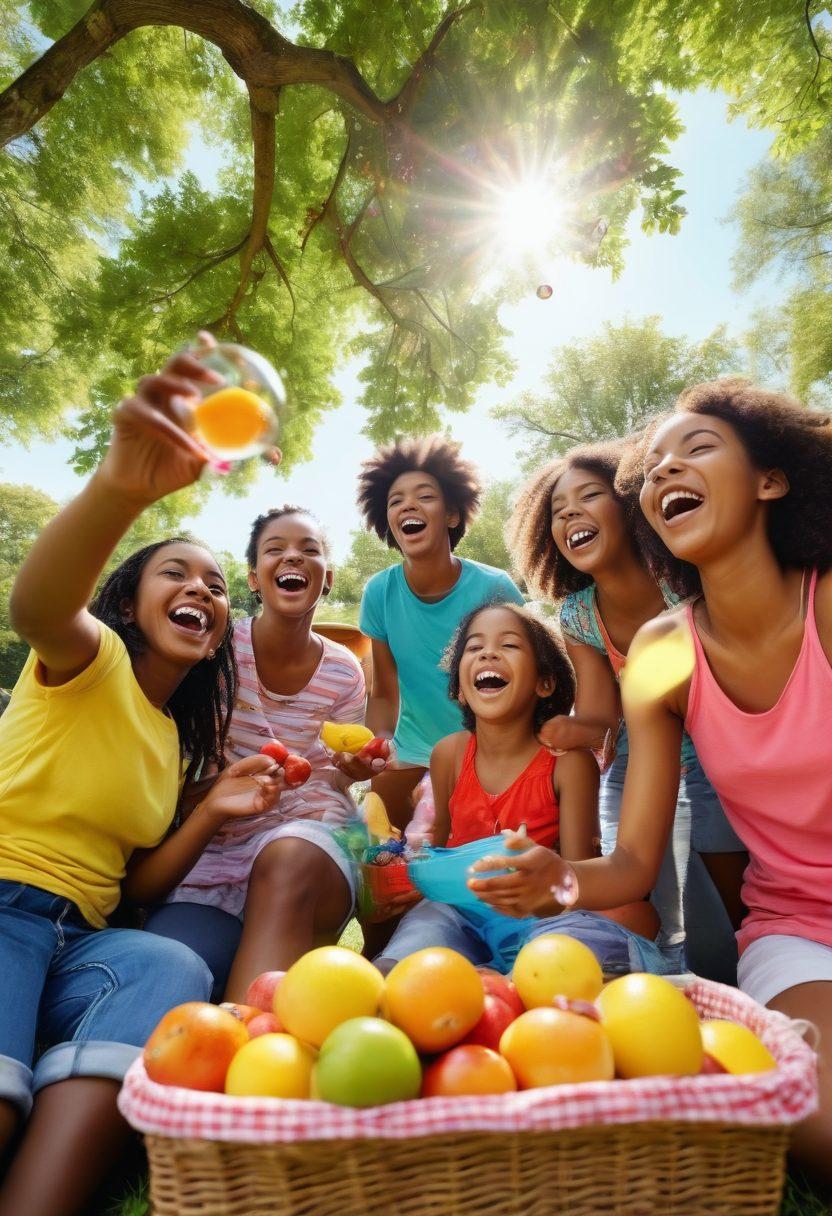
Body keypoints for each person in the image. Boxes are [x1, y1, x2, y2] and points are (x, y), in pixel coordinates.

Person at [470, 379, 832, 1179]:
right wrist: (559, 878)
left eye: (696, 449)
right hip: (800, 930)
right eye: (652, 469)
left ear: (771, 480)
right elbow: (635, 862)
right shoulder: (662, 652)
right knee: (811, 1124)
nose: (665, 470)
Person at [0, 350, 282, 1216]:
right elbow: (39, 606)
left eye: (217, 587)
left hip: (80, 941)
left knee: (169, 963)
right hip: (5, 907)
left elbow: (137, 886)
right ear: (127, 603)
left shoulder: (168, 742)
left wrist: (212, 808)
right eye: (177, 573)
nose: (203, 589)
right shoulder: (90, 662)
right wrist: (121, 491)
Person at [508, 439, 747, 977]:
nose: (570, 513)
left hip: (715, 756)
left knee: (728, 904)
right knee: (650, 902)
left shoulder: (684, 578)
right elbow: (600, 721)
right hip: (638, 762)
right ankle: (667, 982)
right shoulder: (579, 615)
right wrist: (560, 729)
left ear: (630, 505)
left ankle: (738, 976)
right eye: (558, 510)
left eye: (589, 496)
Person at [146, 506, 388, 1001]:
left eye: (309, 549)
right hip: (218, 851)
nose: (292, 556)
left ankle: (254, 1037)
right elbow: (176, 764)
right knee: (173, 966)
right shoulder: (217, 649)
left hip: (308, 847)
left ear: (327, 578)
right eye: (275, 549)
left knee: (288, 859)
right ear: (254, 578)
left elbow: (337, 777)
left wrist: (353, 769)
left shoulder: (344, 670)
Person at [374, 602, 664, 976]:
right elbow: (439, 852)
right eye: (474, 647)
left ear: (545, 683)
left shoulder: (568, 763)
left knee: (591, 940)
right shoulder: (448, 755)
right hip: (459, 911)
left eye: (508, 645)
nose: (488, 653)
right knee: (412, 947)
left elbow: (577, 876)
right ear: (459, 688)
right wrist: (410, 875)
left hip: (542, 915)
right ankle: (413, 976)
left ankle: (508, 983)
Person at [357, 436, 524, 829]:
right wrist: (379, 743)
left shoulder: (494, 587)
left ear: (451, 515)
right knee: (380, 842)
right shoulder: (379, 592)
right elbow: (383, 691)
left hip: (488, 749)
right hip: (412, 752)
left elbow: (526, 678)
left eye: (424, 496)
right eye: (396, 501)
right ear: (387, 521)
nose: (408, 505)